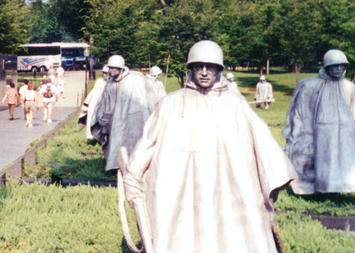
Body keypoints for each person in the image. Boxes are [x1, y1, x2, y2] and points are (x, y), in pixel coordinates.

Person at [120, 40, 296, 253]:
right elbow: (148, 142)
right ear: (191, 69)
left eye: (210, 66)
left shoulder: (234, 103)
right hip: (182, 190)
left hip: (228, 189)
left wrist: (275, 175)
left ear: (219, 69)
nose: (204, 72)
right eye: (198, 66)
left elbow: (263, 142)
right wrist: (133, 174)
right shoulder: (172, 103)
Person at [283, 49, 355, 194]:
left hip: (344, 129)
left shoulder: (348, 86)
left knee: (350, 158)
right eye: (335, 66)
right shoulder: (310, 85)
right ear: (327, 66)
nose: (339, 69)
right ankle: (318, 189)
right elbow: (302, 110)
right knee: (318, 160)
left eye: (342, 66)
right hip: (321, 129)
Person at [94, 55, 159, 171]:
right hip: (116, 121)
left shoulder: (135, 80)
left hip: (135, 119)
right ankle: (116, 167)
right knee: (116, 144)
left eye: (114, 68)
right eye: (110, 68)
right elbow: (105, 102)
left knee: (135, 144)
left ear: (122, 69)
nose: (111, 70)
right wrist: (103, 118)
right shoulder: (110, 83)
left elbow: (148, 97)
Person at [79, 65, 110, 139]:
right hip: (95, 104)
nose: (105, 75)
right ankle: (91, 137)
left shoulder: (113, 83)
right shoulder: (100, 82)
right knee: (92, 120)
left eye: (107, 73)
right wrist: (86, 105)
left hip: (107, 107)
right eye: (104, 73)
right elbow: (93, 93)